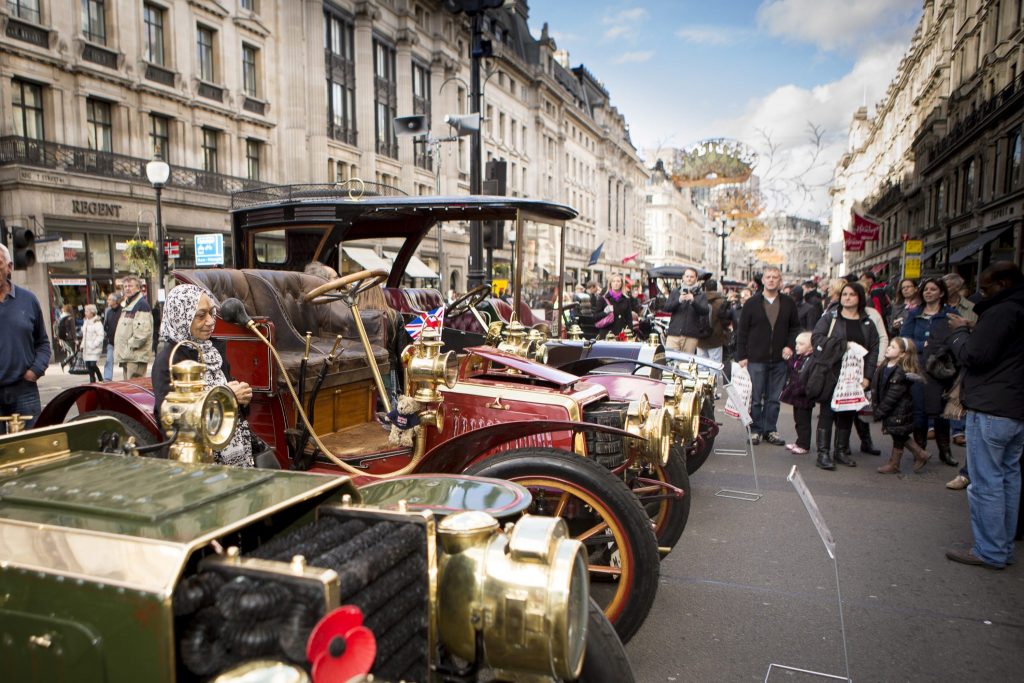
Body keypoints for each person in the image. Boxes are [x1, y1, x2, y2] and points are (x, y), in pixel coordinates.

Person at [945, 262, 1024, 570]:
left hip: (992, 406)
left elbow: (975, 355)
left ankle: (990, 550)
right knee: (1007, 477)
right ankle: (1001, 545)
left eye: (986, 287)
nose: (980, 292)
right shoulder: (1016, 309)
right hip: (1013, 407)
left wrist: (960, 335)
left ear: (1003, 284)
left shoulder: (1002, 311)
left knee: (987, 481)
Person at [152, 284, 256, 467]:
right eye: (201, 316)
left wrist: (242, 398)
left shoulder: (214, 350)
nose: (210, 321)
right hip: (196, 461)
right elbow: (170, 420)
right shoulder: (168, 360)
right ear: (180, 317)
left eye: (211, 313)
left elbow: (234, 408)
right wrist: (228, 396)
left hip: (233, 452)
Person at [811, 282, 880, 470]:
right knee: (827, 411)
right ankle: (823, 454)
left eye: (851, 294)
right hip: (831, 371)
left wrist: (867, 376)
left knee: (848, 412)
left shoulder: (867, 322)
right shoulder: (831, 318)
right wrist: (843, 344)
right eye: (844, 294)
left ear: (860, 298)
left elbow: (873, 350)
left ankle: (841, 451)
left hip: (855, 375)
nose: (847, 297)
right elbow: (816, 338)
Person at [735, 266, 801, 446]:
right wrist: (742, 355)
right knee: (755, 398)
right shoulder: (752, 303)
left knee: (773, 398)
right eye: (768, 277)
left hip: (779, 360)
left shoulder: (788, 303)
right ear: (762, 280)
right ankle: (755, 430)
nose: (771, 280)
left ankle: (770, 429)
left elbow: (795, 327)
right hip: (756, 358)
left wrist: (790, 345)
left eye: (775, 277)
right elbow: (742, 331)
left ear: (780, 281)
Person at [901, 277, 959, 467]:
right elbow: (904, 339)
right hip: (919, 366)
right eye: (926, 289)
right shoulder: (914, 314)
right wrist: (921, 345)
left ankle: (945, 451)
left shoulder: (950, 314)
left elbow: (958, 337)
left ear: (941, 293)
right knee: (919, 411)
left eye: (933, 289)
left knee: (940, 411)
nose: (928, 292)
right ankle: (920, 451)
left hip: (941, 368)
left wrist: (940, 348)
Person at [0, 244, 50, 432]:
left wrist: (35, 371)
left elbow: (43, 343)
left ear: (10, 267)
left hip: (24, 389)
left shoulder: (28, 300)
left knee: (29, 447)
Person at [871, 337, 930, 474]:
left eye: (893, 347)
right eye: (889, 346)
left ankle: (918, 454)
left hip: (898, 411)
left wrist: (880, 411)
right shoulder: (885, 366)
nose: (888, 348)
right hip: (892, 410)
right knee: (898, 435)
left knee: (899, 434)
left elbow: (893, 396)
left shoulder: (900, 372)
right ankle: (897, 462)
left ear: (903, 354)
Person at [780, 331, 815, 454]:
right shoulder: (799, 358)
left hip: (804, 396)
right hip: (796, 395)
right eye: (796, 343)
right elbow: (793, 368)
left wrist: (800, 390)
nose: (797, 346)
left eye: (801, 344)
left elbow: (808, 378)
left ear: (810, 347)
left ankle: (804, 445)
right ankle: (799, 441)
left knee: (804, 422)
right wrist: (788, 360)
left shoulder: (811, 360)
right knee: (798, 420)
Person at [114, 275, 154, 379]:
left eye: (130, 286)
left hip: (136, 357)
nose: (127, 288)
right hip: (129, 356)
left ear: (138, 288)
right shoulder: (129, 304)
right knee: (128, 388)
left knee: (134, 389)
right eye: (125, 286)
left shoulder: (141, 305)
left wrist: (128, 347)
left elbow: (142, 334)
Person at [663, 267, 710, 353]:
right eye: (687, 276)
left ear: (696, 278)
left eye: (691, 277)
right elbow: (666, 308)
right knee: (670, 361)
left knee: (686, 364)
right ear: (683, 277)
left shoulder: (701, 294)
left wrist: (693, 301)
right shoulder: (675, 292)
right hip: (674, 334)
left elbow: (705, 311)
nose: (689, 279)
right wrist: (679, 301)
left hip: (691, 336)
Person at [696, 279, 730, 365]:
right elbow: (726, 321)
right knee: (715, 367)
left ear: (705, 288)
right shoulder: (722, 302)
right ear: (716, 288)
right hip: (716, 339)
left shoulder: (698, 300)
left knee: (701, 369)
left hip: (700, 339)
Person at [597, 274, 638, 339]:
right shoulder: (603, 298)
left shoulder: (626, 299)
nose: (616, 283)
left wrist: (629, 333)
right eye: (613, 281)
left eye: (618, 281)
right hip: (607, 334)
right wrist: (605, 312)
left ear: (621, 284)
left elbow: (629, 319)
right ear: (610, 284)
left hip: (621, 335)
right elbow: (595, 317)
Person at [81, 304, 105, 383]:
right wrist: (82, 345)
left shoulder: (97, 322)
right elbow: (84, 335)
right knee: (88, 365)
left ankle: (100, 377)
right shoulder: (85, 322)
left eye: (87, 311)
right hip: (86, 348)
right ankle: (92, 381)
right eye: (85, 311)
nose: (85, 313)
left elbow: (100, 335)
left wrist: (94, 344)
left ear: (92, 312)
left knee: (92, 364)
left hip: (94, 348)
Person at [102, 292, 122, 381]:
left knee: (125, 362)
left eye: (109, 299)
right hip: (111, 341)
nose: (108, 301)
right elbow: (105, 324)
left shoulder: (123, 311)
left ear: (115, 301)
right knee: (109, 360)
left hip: (121, 341)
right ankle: (107, 378)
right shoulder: (108, 311)